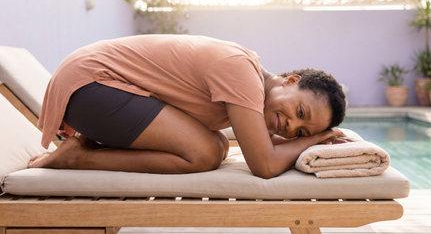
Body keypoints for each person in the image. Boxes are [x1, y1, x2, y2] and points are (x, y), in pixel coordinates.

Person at [29, 34, 347, 179]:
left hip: (97, 89)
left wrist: (315, 139)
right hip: (92, 86)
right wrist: (312, 140)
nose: (291, 126)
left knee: (218, 144)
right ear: (290, 81)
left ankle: (85, 149)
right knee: (206, 152)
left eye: (301, 130)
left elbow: (262, 146)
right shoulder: (242, 73)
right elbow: (264, 165)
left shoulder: (249, 80)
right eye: (300, 112)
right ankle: (78, 157)